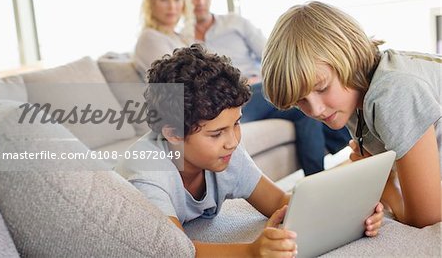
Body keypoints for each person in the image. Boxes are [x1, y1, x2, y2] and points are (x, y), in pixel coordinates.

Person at [115, 44, 384, 256]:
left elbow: (278, 203)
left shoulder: (225, 152)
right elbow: (174, 251)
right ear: (173, 134)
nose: (232, 141)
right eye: (216, 133)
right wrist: (252, 252)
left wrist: (349, 215)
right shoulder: (148, 173)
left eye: (236, 124)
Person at [261, 1, 442, 228]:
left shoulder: (393, 91)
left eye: (322, 88)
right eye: (301, 101)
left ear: (348, 58)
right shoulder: (353, 99)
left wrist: (388, 190)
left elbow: (426, 219)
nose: (316, 110)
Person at [182, 0, 351, 175]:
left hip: (257, 89)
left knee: (303, 106)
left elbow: (273, 57)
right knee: (303, 109)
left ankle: (318, 178)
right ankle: (333, 158)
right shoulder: (181, 38)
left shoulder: (235, 23)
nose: (200, 1)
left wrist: (264, 78)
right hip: (223, 102)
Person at [132, 0, 194, 74]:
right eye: (164, 0)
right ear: (151, 3)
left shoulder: (182, 38)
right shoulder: (149, 37)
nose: (172, 6)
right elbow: (173, 77)